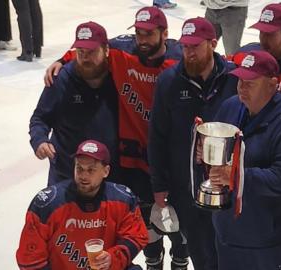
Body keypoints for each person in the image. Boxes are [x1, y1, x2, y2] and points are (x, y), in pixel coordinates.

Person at [43, 8, 188, 269]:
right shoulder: (123, 50)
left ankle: (180, 257)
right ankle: (153, 259)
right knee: (144, 218)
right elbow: (93, 47)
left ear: (165, 34)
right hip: (134, 160)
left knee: (179, 218)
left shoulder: (180, 59)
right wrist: (64, 60)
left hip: (171, 157)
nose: (142, 39)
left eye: (149, 34)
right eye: (139, 33)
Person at [148, 17, 238, 270]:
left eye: (195, 46)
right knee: (201, 257)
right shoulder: (169, 81)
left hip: (229, 188)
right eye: (185, 46)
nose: (189, 52)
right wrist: (159, 184)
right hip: (185, 189)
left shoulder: (233, 78)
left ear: (213, 43)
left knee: (230, 255)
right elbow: (157, 137)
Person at [207, 50, 281, 269]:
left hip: (269, 241)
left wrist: (237, 176)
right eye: (240, 80)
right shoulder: (231, 106)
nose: (242, 87)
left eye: (250, 82)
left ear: (272, 84)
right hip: (228, 233)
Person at [16, 140, 149, 270]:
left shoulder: (123, 200)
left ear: (106, 171)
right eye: (79, 168)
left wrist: (111, 258)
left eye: (91, 170)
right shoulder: (47, 205)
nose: (83, 176)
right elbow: (29, 259)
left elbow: (137, 236)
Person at [29, 21, 119, 186]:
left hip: (109, 177)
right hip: (66, 175)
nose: (84, 58)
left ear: (106, 50)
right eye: (80, 51)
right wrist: (39, 140)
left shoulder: (119, 77)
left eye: (91, 52)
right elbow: (40, 118)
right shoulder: (61, 78)